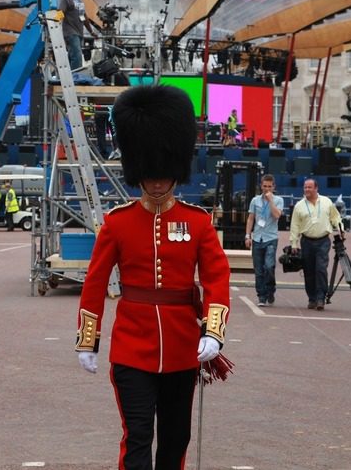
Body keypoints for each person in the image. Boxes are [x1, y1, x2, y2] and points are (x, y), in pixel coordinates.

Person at [75, 84, 231, 470]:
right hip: (131, 347)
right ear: (138, 171)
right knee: (138, 434)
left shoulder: (197, 222)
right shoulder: (118, 223)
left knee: (177, 438)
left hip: (182, 348)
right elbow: (95, 282)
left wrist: (213, 330)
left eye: (164, 173)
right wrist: (87, 339)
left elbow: (216, 277)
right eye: (151, 172)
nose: (158, 181)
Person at [289, 177, 345, 310]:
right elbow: (295, 225)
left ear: (316, 188)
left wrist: (340, 229)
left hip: (323, 241)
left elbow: (335, 217)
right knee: (308, 271)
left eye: (309, 187)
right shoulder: (299, 206)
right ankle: (312, 298)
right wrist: (294, 243)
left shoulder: (326, 202)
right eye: (305, 187)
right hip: (306, 241)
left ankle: (321, 298)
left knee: (320, 269)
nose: (307, 189)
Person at [245, 173, 283, 307]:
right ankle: (261, 296)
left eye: (269, 186)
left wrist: (270, 201)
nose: (267, 189)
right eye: (264, 186)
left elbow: (277, 215)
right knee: (259, 270)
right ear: (261, 186)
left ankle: (270, 290)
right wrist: (247, 236)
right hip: (257, 238)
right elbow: (251, 218)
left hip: (271, 238)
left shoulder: (278, 200)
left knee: (269, 266)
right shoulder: (255, 200)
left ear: (273, 187)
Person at [59, 0, 95, 72]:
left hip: (79, 33)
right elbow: (60, 12)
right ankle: (76, 78)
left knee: (72, 56)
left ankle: (68, 76)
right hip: (70, 32)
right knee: (77, 56)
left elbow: (83, 16)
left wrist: (91, 31)